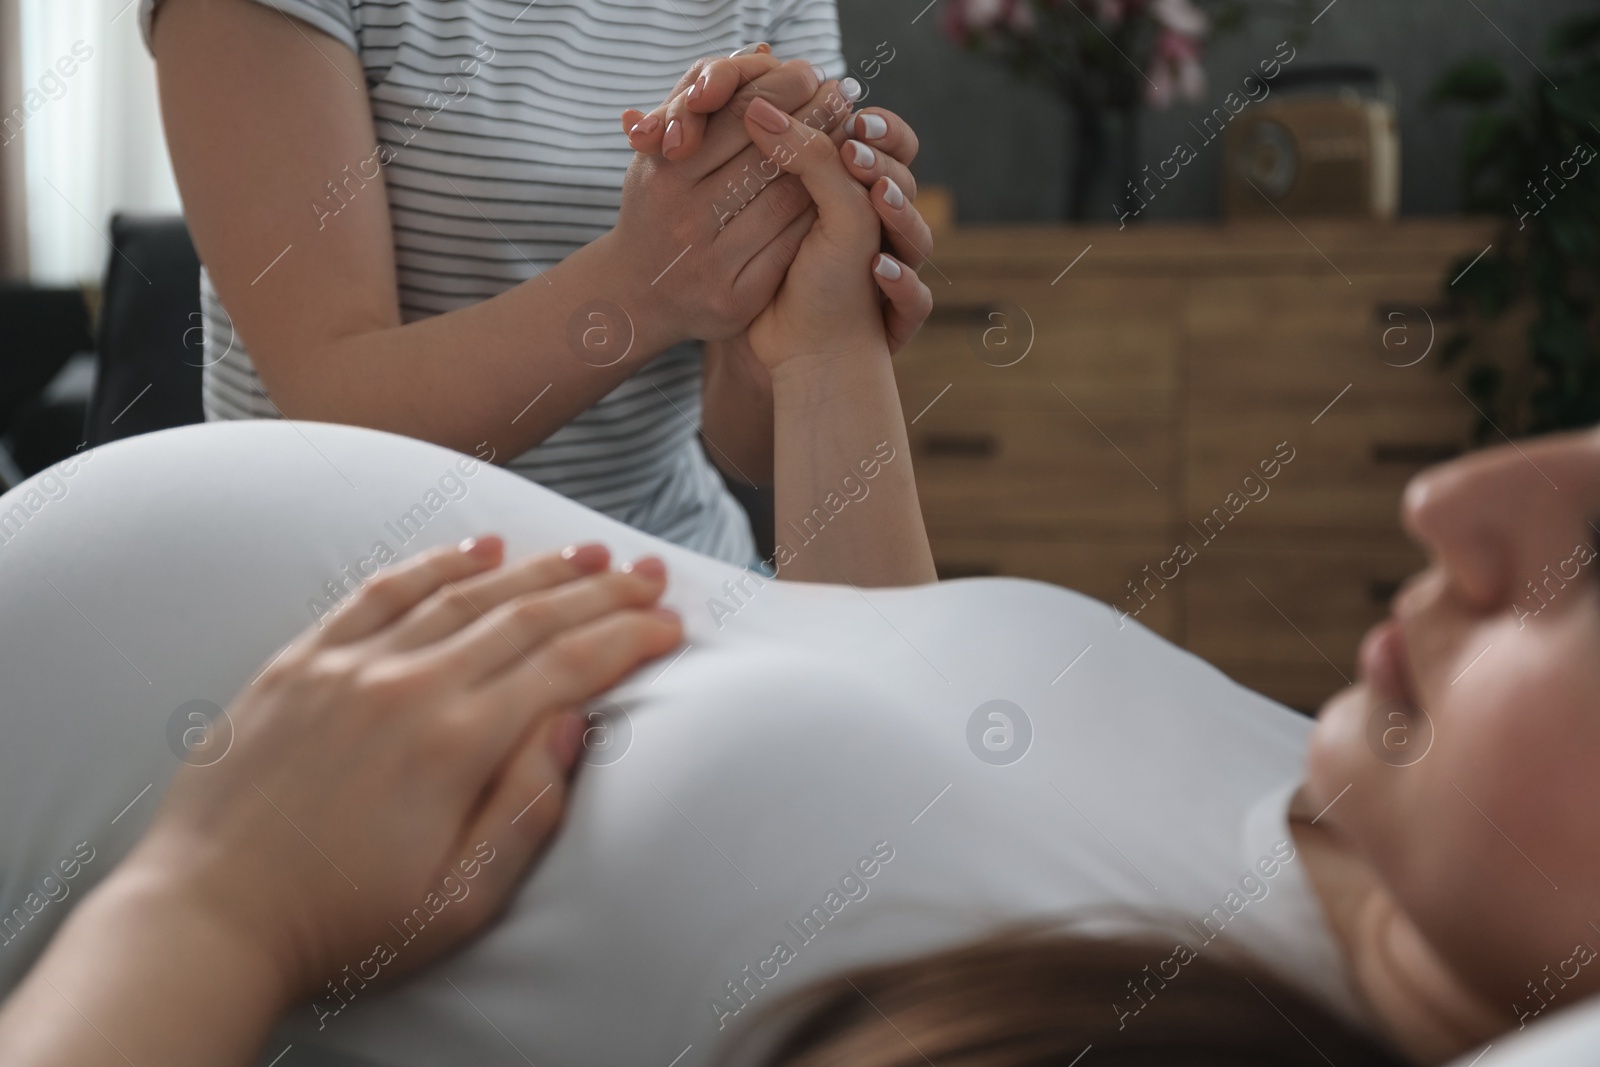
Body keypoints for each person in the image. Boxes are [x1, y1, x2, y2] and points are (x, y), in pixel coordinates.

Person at [2, 100, 1598, 1067]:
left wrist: (220, 901)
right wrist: (824, 347)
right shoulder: (1335, 802)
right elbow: (867, 657)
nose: (1452, 498)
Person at [143, 0, 932, 565]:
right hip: (348, 590)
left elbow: (743, 447)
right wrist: (642, 287)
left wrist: (799, 339)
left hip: (668, 570)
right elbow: (331, 410)